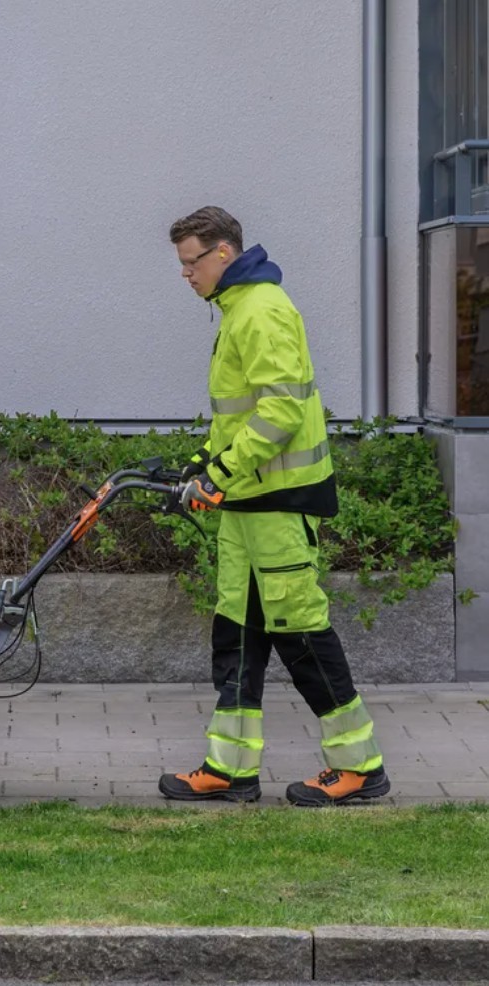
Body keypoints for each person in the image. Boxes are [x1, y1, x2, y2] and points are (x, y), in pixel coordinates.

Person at [158, 206, 390, 807]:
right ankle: (229, 769)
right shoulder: (238, 311)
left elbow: (280, 413)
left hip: (279, 505)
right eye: (181, 264)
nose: (185, 275)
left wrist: (223, 473)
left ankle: (360, 766)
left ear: (223, 254)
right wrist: (203, 465)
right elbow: (237, 416)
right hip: (248, 505)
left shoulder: (261, 311)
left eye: (191, 262)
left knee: (301, 634)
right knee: (239, 634)